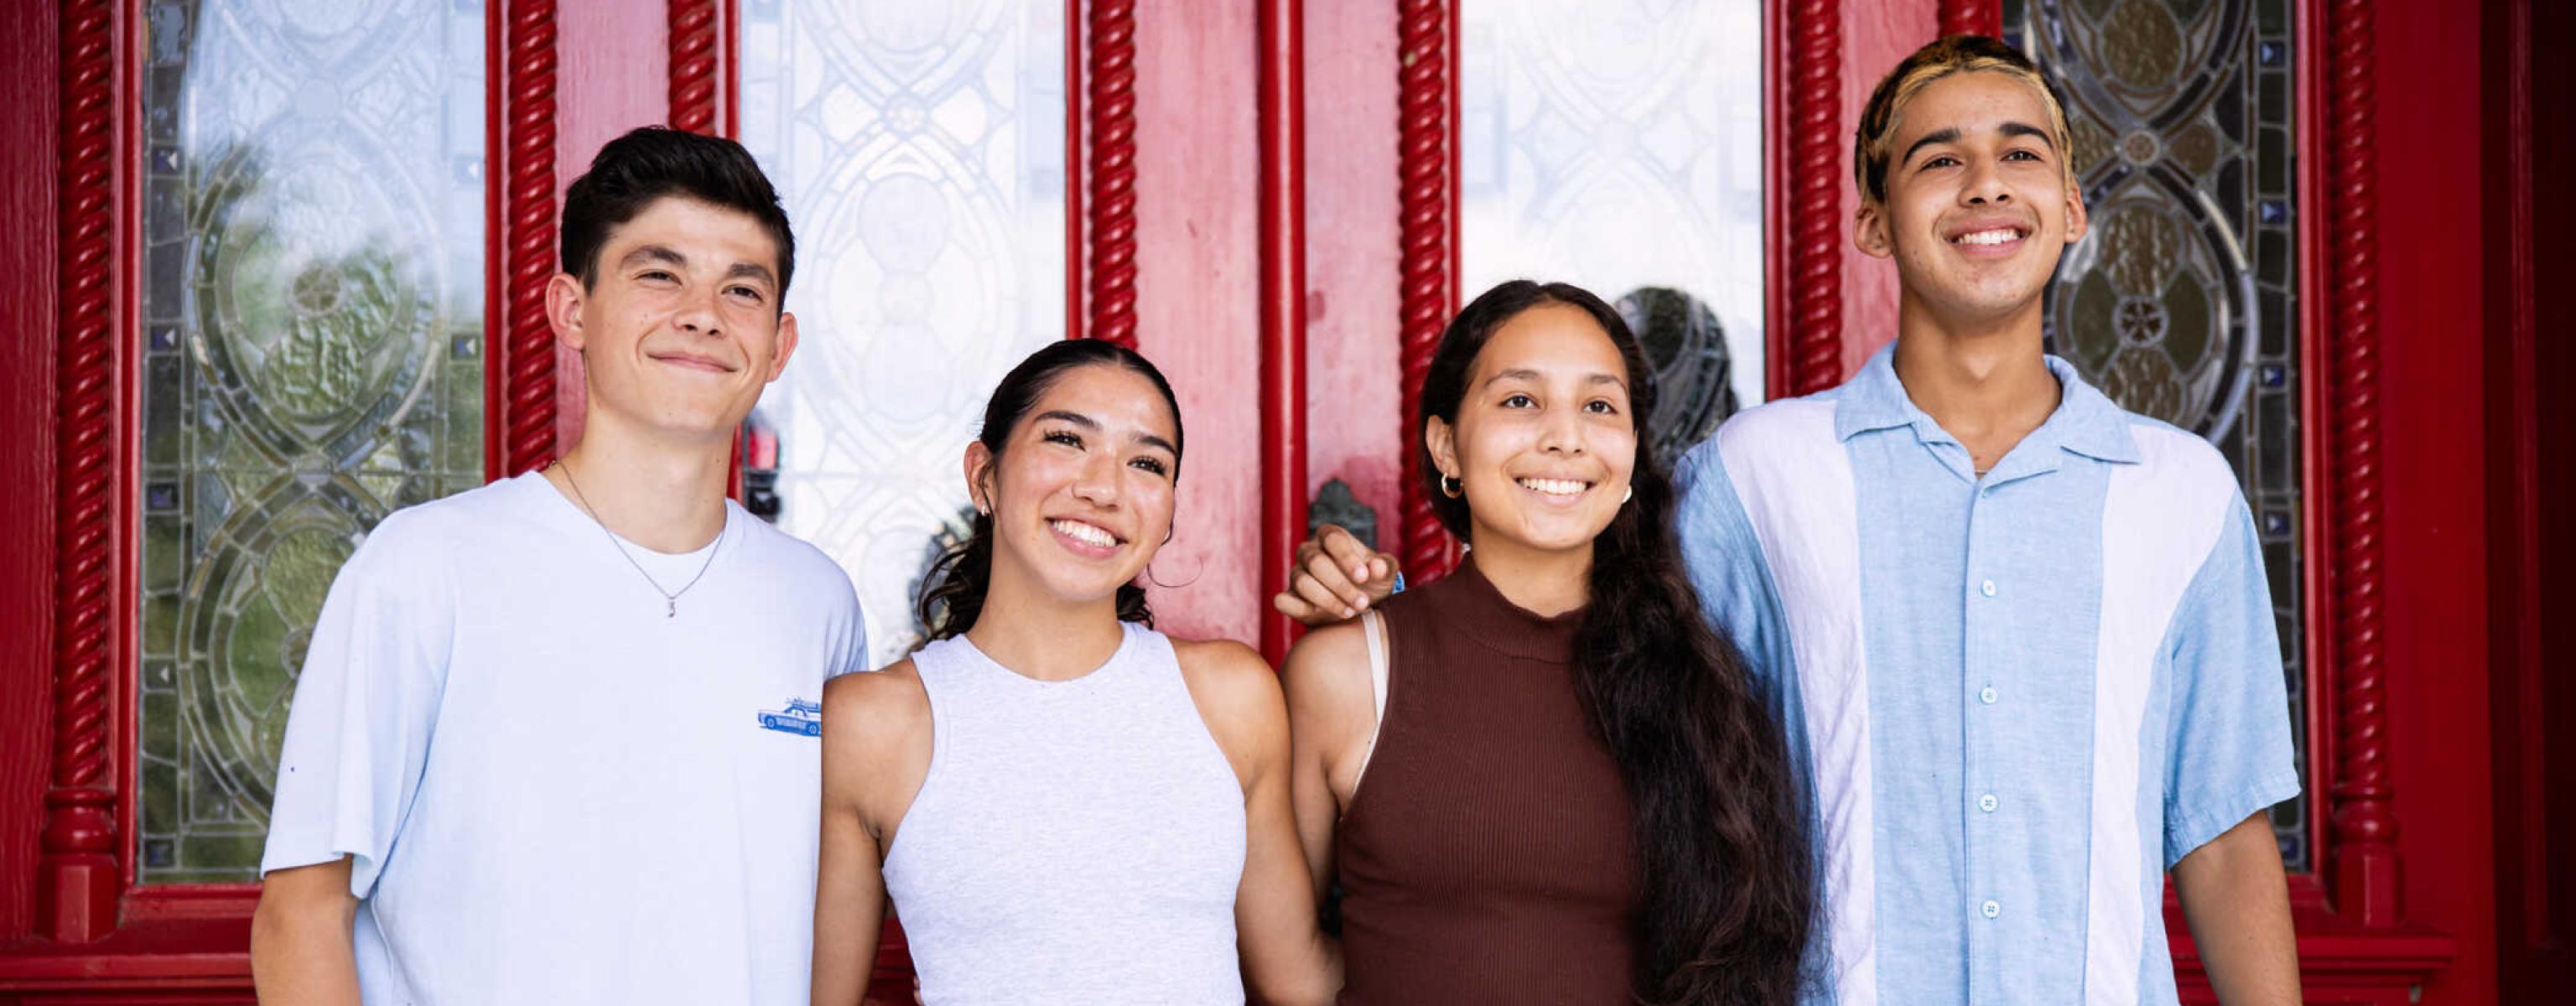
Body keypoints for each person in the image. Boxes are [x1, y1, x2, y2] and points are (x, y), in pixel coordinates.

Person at [1283, 35, 2302, 1006]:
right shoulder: (1758, 474)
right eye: (1938, 158)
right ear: (1873, 220)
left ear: (2073, 206)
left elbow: (2222, 834)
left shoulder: (2182, 494)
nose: (1986, 182)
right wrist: (1393, 622)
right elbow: (1585, 636)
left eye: (2020, 152)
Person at [251, 127, 866, 1005]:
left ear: (779, 343)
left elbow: (828, 904)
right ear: (571, 309)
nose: (703, 313)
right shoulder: (426, 568)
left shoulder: (817, 603)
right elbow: (302, 913)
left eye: (742, 289)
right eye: (660, 275)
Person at [1280, 280, 1813, 1005]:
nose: (1566, 436)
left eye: (1599, 406)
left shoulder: (1705, 680)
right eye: (1520, 400)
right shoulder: (1345, 673)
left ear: (1630, 452)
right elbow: (1290, 972)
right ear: (1447, 446)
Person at [811, 339, 1335, 1005]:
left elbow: (1302, 981)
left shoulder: (1230, 696)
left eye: (1147, 463)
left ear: (1169, 509)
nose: (1104, 488)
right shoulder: (872, 722)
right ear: (984, 476)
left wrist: (1389, 631)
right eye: (1067, 440)